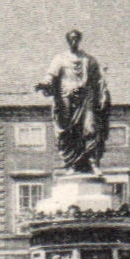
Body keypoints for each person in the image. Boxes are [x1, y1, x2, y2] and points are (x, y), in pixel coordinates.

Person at [36, 28, 111, 173]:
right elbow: (50, 76)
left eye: (76, 38)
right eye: (71, 38)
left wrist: (103, 96)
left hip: (86, 98)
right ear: (67, 40)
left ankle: (93, 162)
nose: (74, 40)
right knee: (68, 131)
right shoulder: (59, 59)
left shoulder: (89, 60)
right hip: (66, 98)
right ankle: (72, 165)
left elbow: (99, 81)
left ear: (80, 39)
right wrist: (43, 84)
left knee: (91, 128)